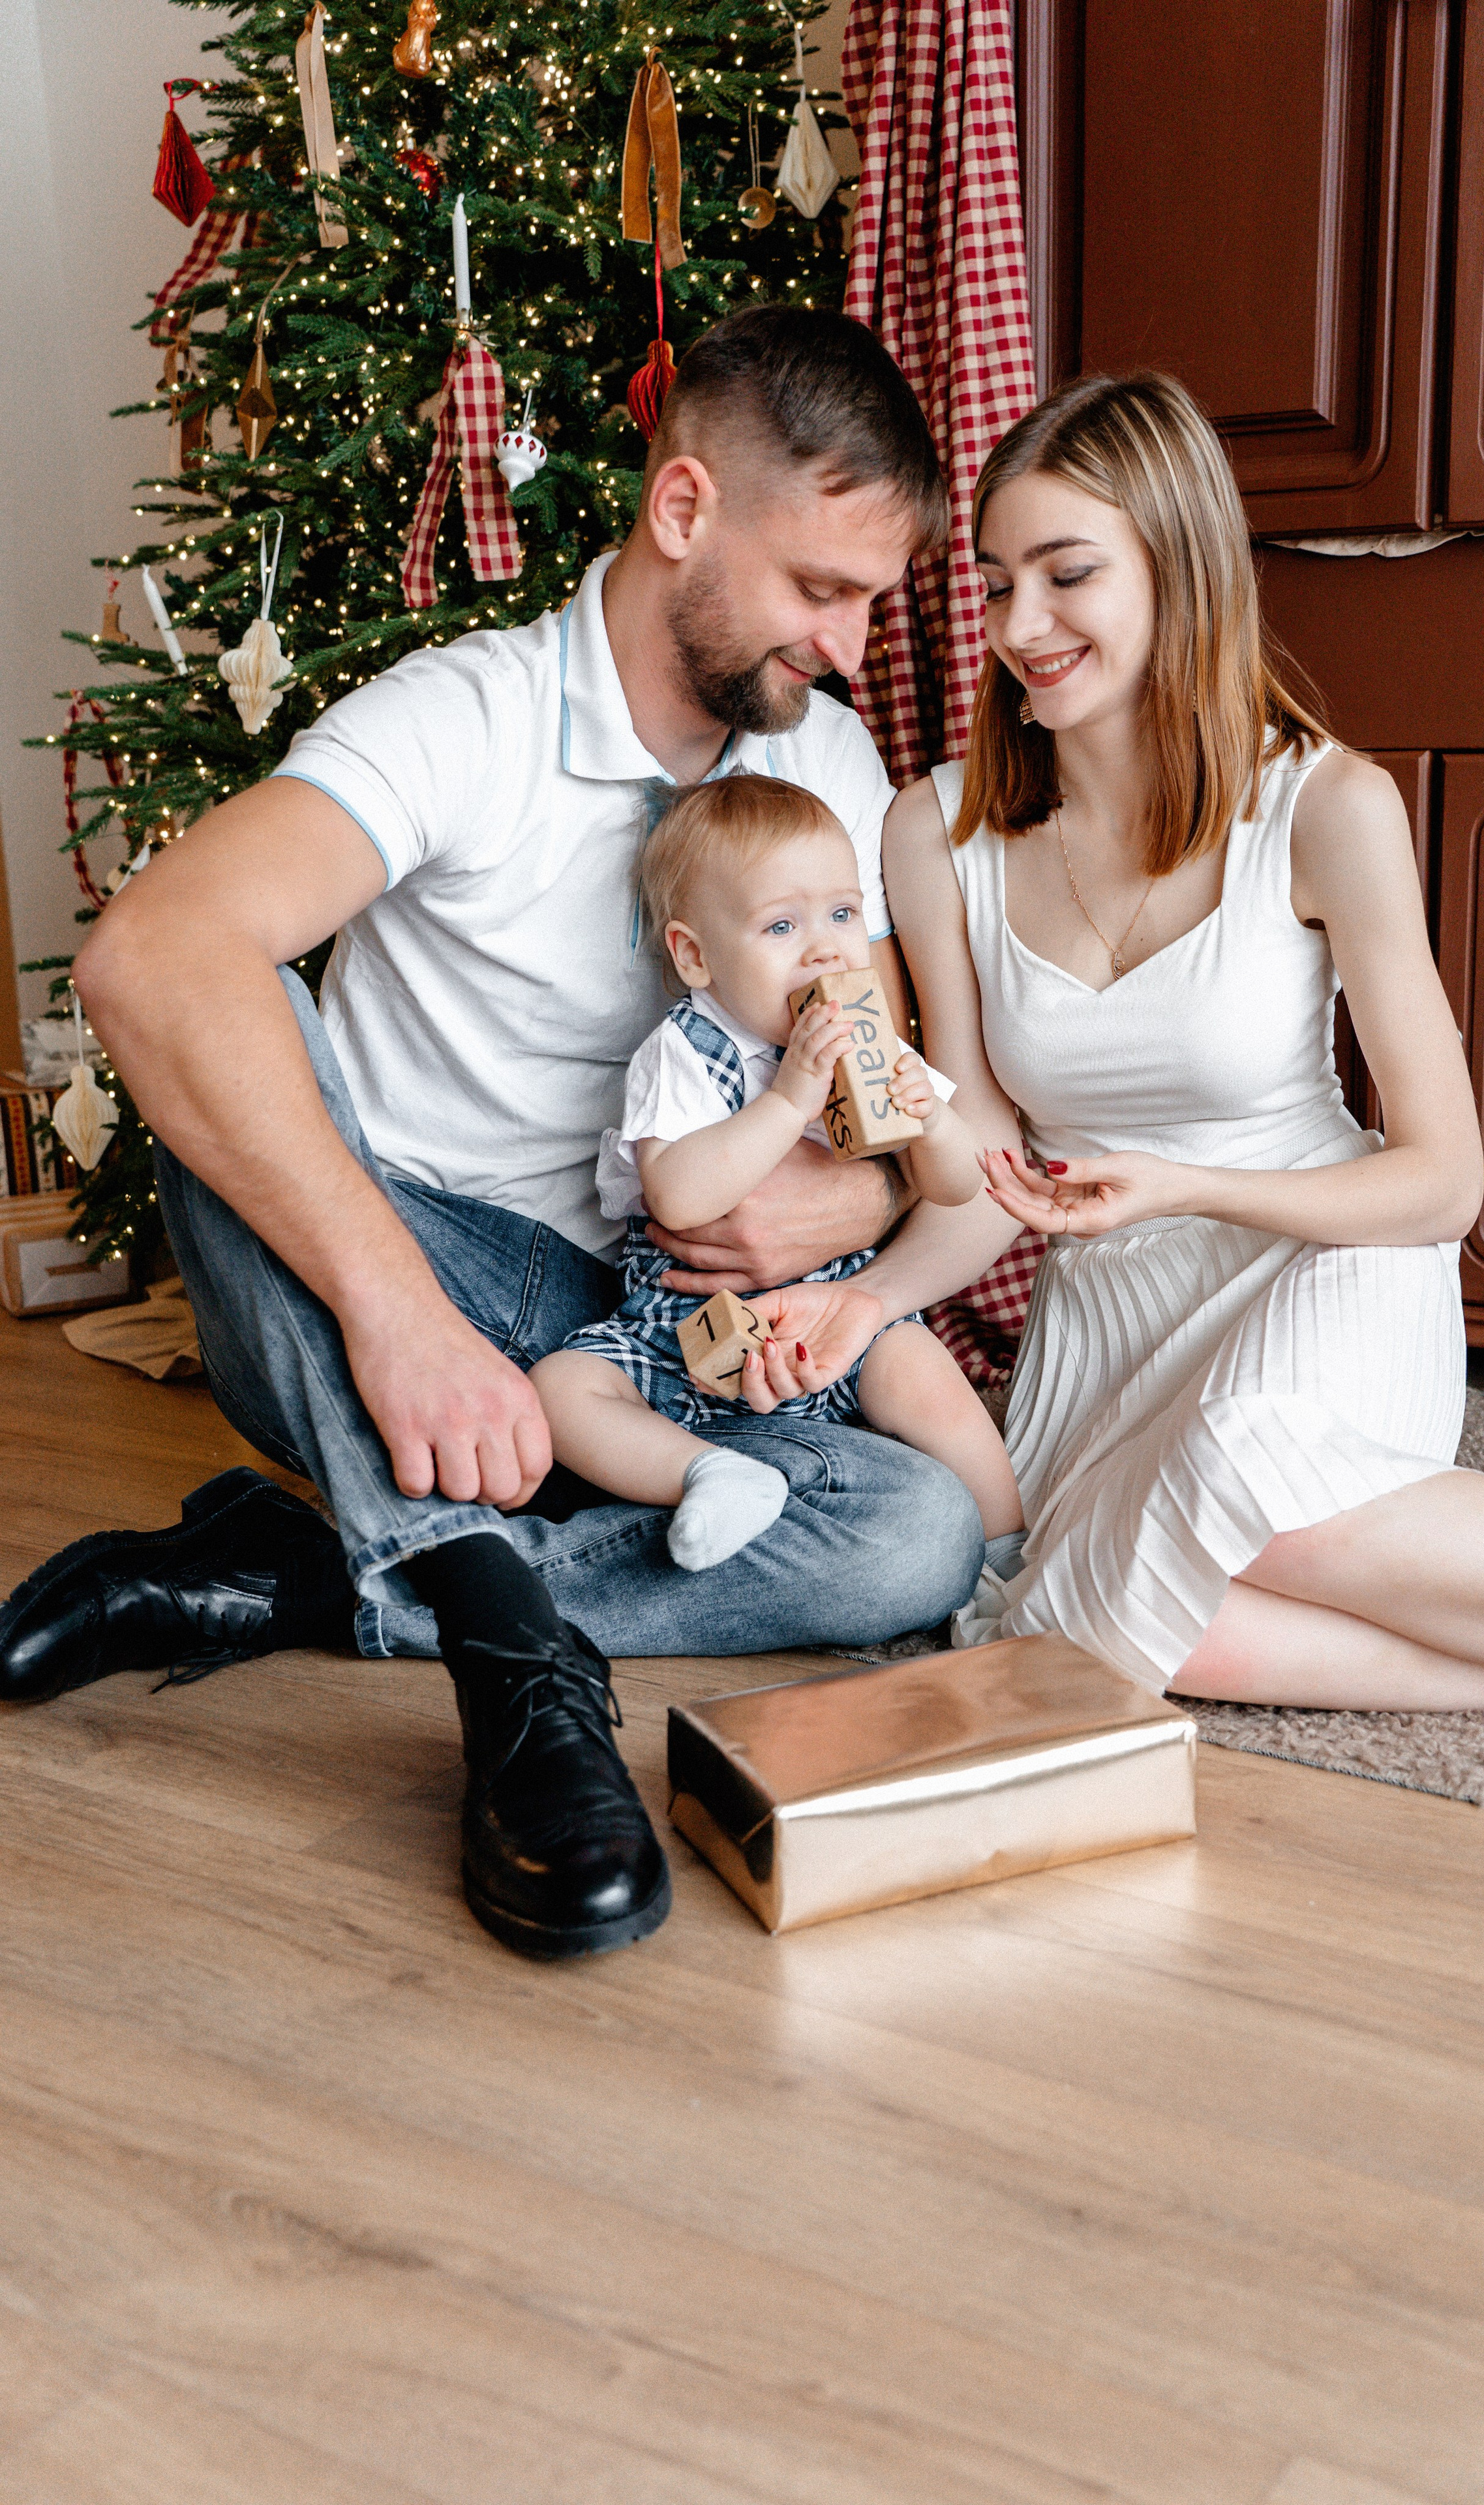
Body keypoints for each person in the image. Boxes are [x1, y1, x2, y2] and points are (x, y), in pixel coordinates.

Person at [0, 308, 988, 1963]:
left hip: (654, 1337)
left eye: (871, 601)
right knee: (224, 1010)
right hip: (406, 1296)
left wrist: (836, 1217)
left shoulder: (819, 754)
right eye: (821, 589)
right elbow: (147, 957)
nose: (848, 646)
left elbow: (874, 1090)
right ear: (683, 509)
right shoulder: (462, 716)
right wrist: (401, 1321)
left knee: (917, 1532)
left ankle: (305, 1572)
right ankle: (516, 1665)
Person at [837, 369, 1484, 1711]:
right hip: (1110, 1324)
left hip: (1324, 1261)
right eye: (995, 586)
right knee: (1101, 1632)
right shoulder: (935, 832)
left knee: (1237, 1471)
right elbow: (986, 1172)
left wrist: (1184, 1186)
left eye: (1067, 575)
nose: (1018, 627)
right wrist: (860, 1302)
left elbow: (1442, 1183)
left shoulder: (1327, 806)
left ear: (1181, 569)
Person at [534, 773, 1022, 1573]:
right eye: (782, 925)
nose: (826, 948)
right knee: (563, 1387)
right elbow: (678, 1195)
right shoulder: (686, 1051)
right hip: (680, 1337)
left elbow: (956, 1186)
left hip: (835, 1326)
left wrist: (932, 1123)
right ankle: (708, 1474)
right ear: (695, 956)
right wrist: (791, 1097)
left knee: (923, 1371)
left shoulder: (872, 1045)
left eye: (843, 914)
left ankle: (1009, 1553)